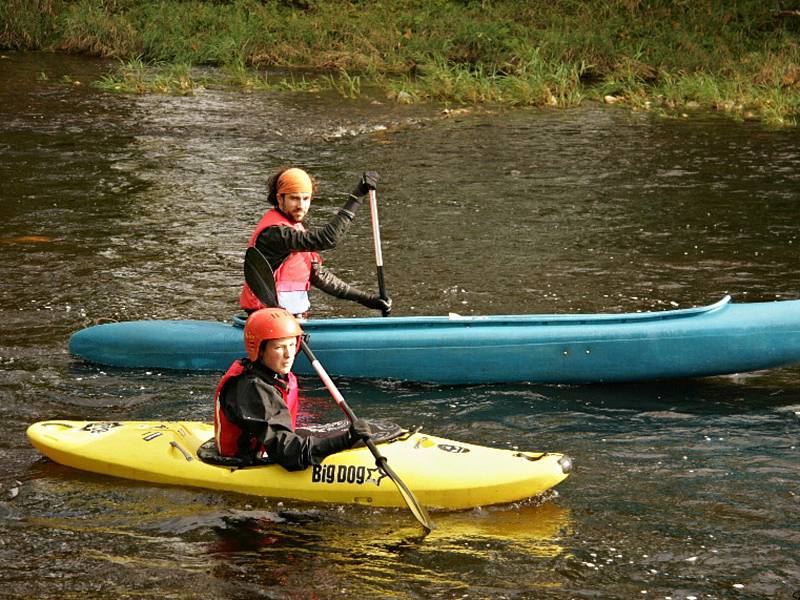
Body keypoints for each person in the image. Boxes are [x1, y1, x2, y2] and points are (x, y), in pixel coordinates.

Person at [214, 307, 372, 470]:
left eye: (291, 344)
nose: (289, 354)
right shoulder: (252, 389)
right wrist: (346, 440)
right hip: (246, 461)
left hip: (272, 446)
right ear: (260, 350)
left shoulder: (275, 374)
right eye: (279, 347)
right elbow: (288, 453)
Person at [239, 167, 392, 317]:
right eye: (294, 198)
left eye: (306, 199)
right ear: (280, 198)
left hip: (290, 321)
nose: (301, 205)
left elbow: (319, 276)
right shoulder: (275, 234)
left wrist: (368, 299)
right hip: (265, 320)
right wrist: (357, 196)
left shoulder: (294, 228)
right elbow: (328, 239)